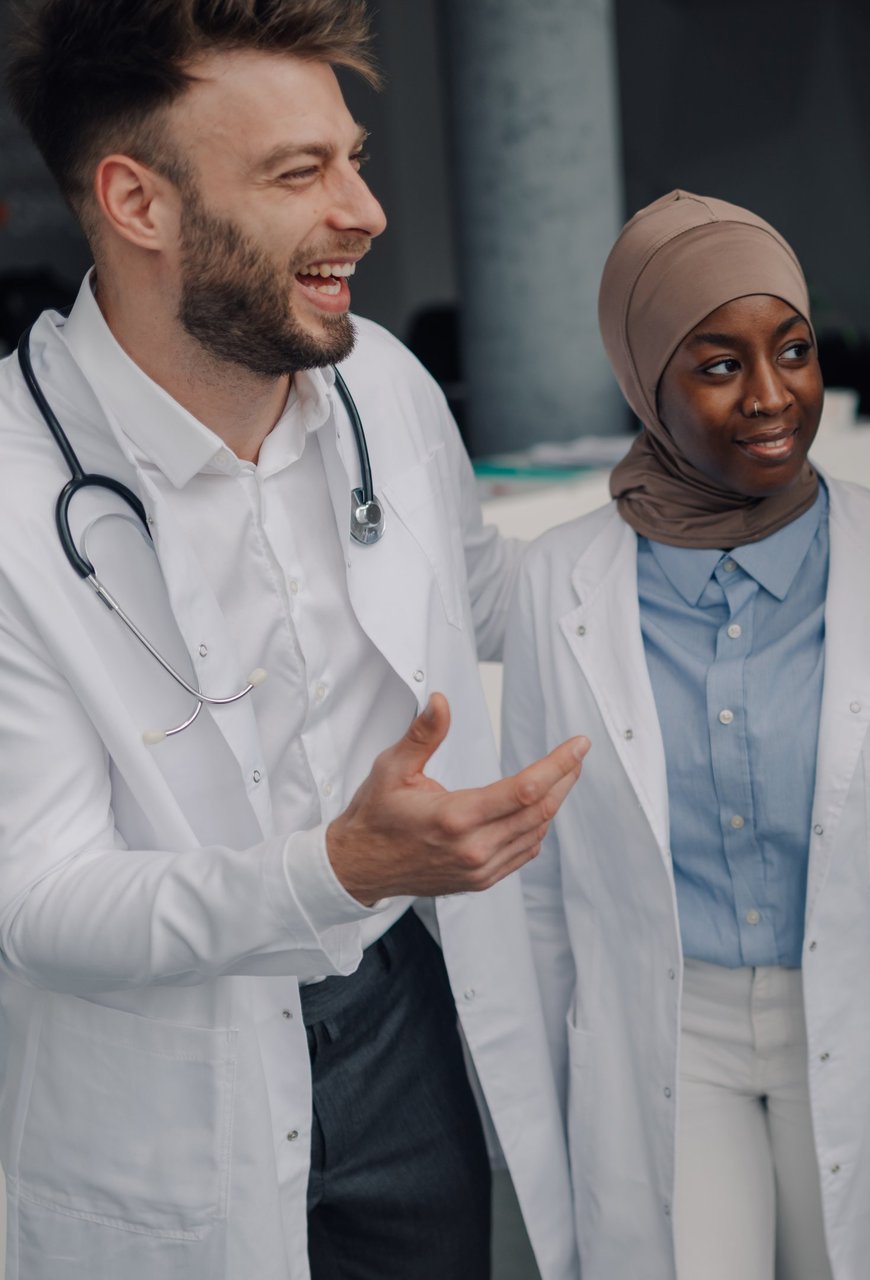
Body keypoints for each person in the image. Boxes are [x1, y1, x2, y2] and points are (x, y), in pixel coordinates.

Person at [0, 2, 588, 1276]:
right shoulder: (12, 493)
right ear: (137, 202)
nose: (365, 211)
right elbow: (38, 897)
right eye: (298, 172)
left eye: (354, 158)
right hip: (164, 1072)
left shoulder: (386, 383)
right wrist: (336, 867)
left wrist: (701, 514)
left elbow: (486, 593)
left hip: (401, 1020)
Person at [503, 190, 870, 1280]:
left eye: (794, 350)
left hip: (867, 1027)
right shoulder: (558, 583)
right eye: (720, 364)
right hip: (668, 1033)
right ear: (645, 379)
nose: (773, 395)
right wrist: (545, 1105)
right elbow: (537, 891)